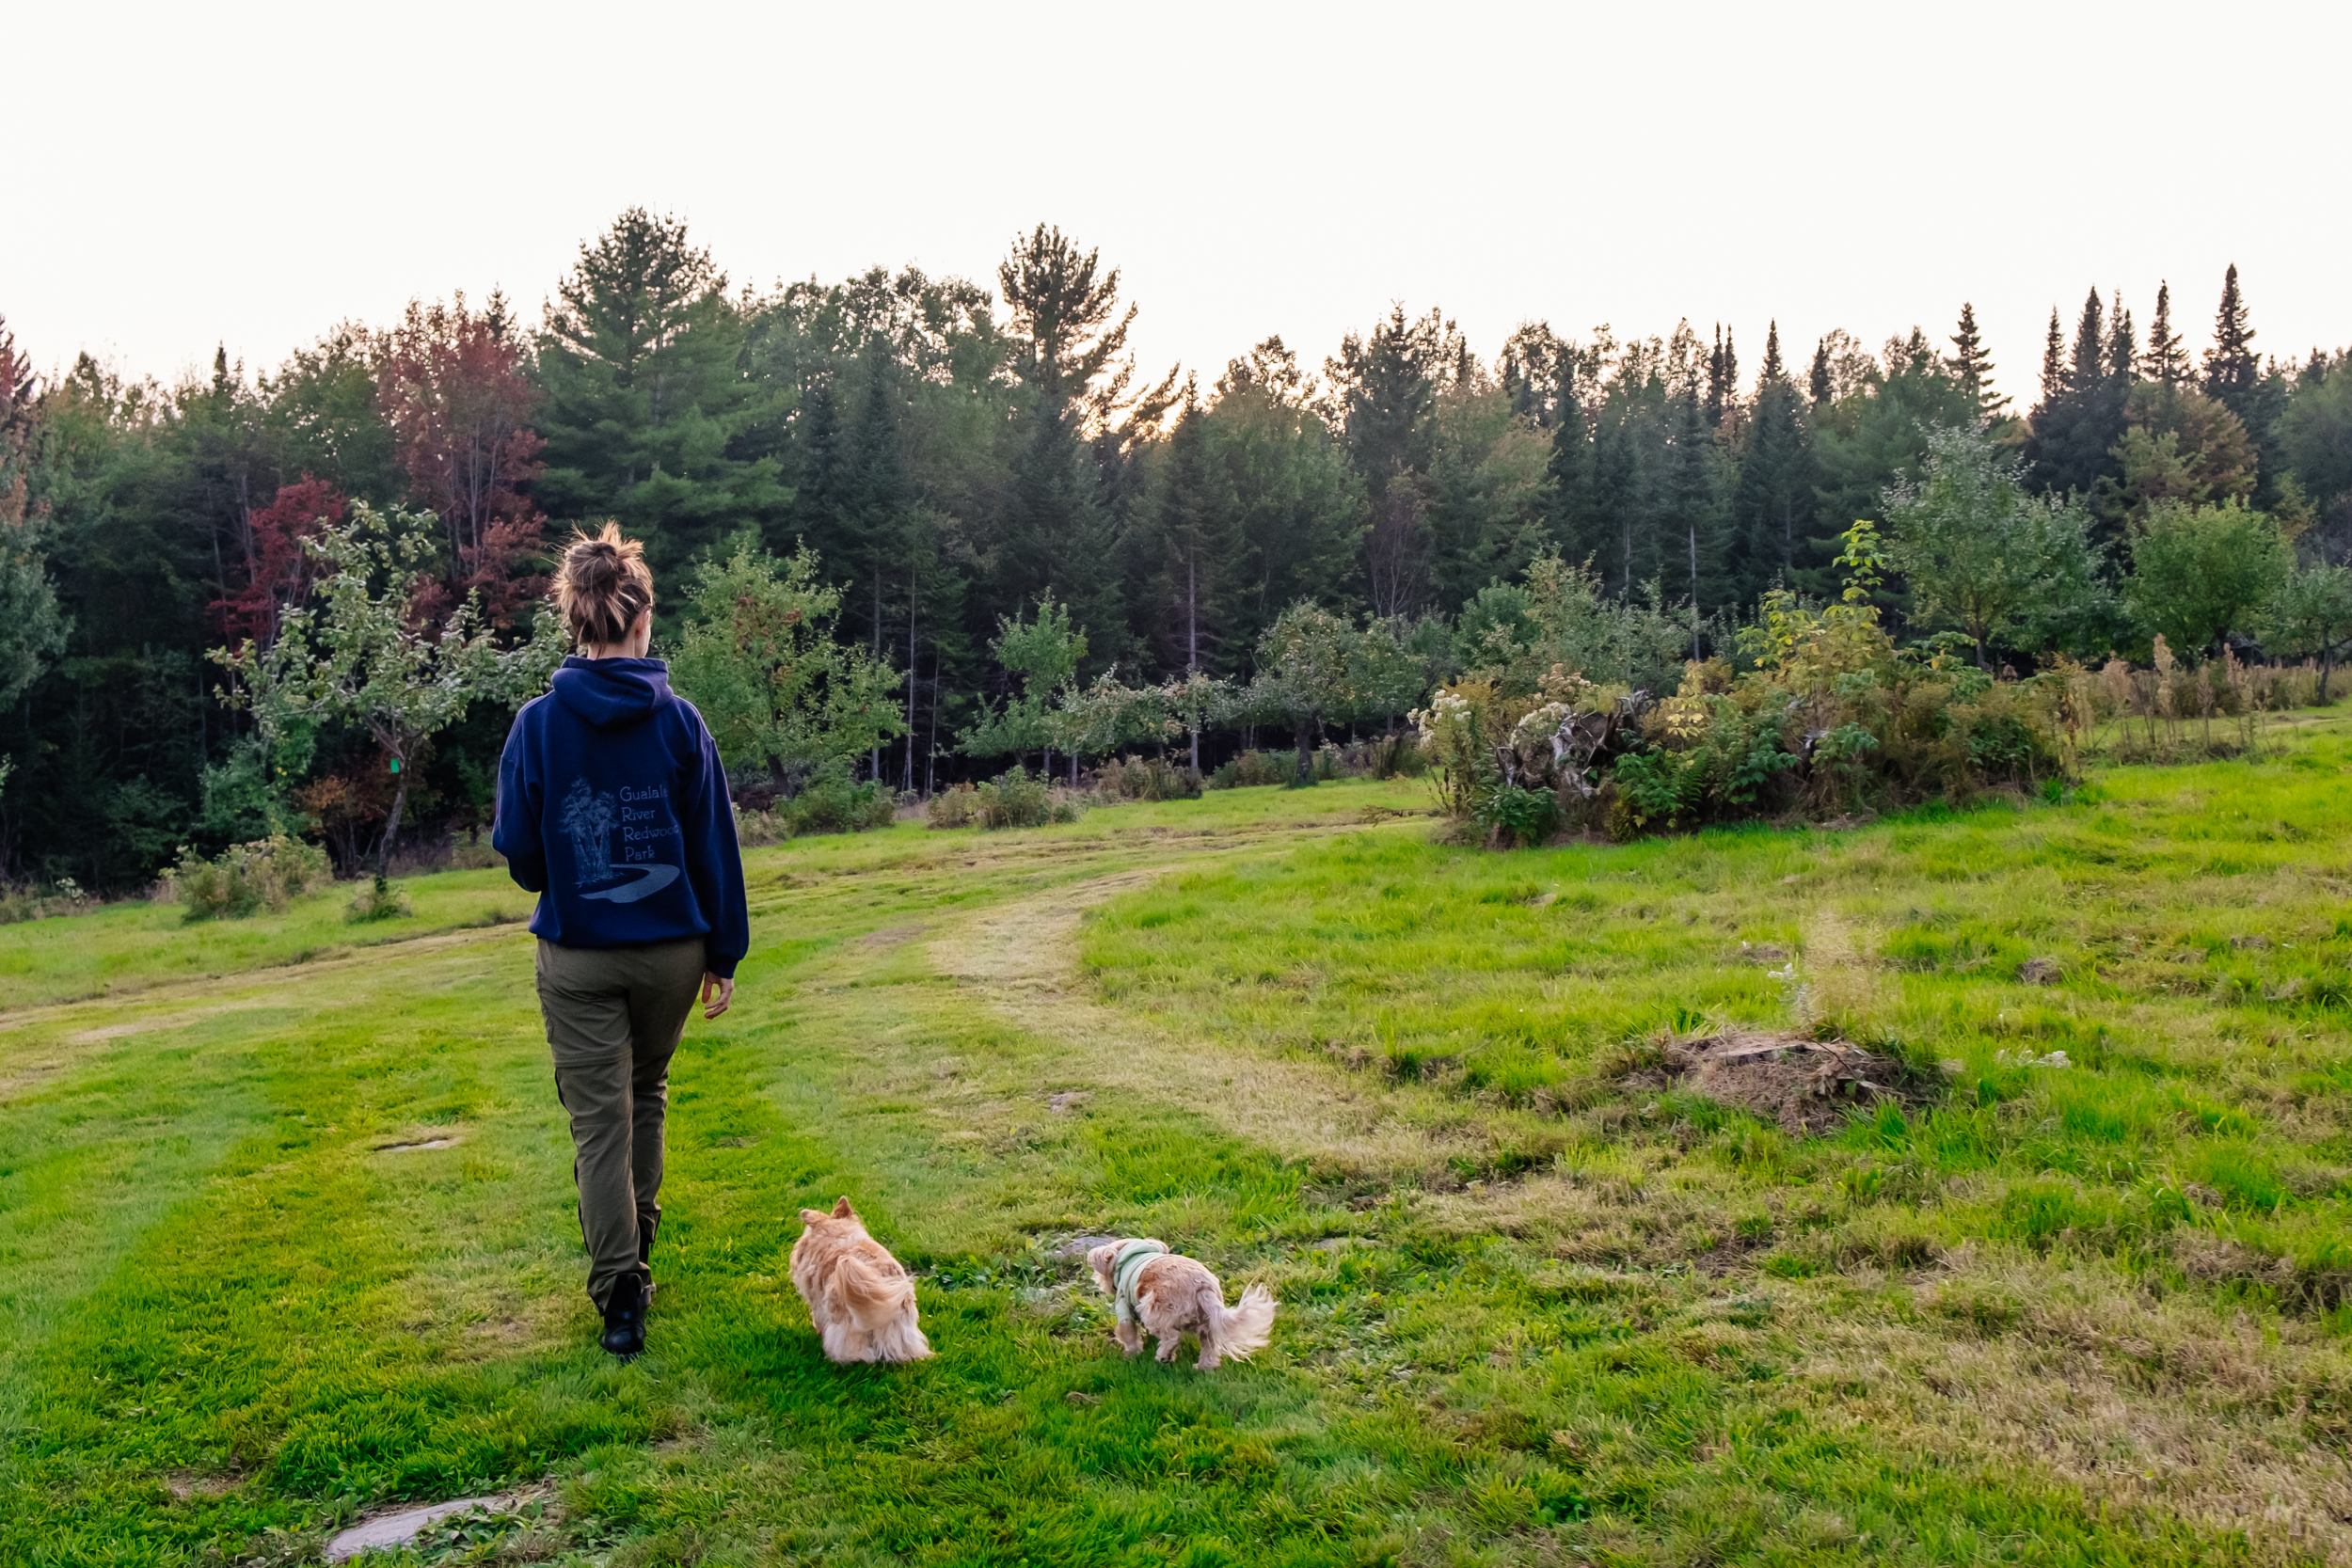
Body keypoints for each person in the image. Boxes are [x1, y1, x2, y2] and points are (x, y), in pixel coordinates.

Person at [494, 523, 748, 1359]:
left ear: (576, 621)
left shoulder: (536, 725)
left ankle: (620, 1293)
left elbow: (521, 852)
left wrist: (564, 870)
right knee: (646, 1093)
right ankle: (638, 1255)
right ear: (641, 621)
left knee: (599, 1122)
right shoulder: (680, 722)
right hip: (672, 950)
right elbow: (714, 845)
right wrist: (724, 952)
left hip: (578, 952)